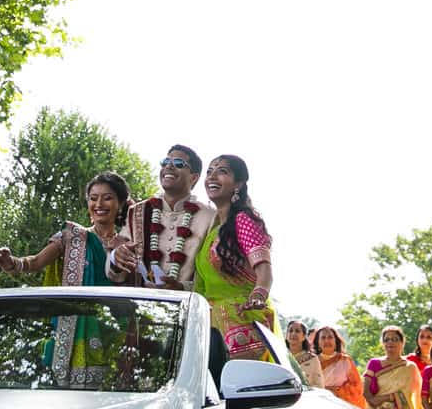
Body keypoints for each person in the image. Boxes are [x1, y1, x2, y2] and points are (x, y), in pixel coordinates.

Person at [0, 170, 130, 382]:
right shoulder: (71, 237)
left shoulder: (128, 244)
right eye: (93, 198)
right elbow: (34, 263)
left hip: (114, 332)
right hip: (73, 332)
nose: (99, 204)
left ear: (120, 204)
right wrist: (11, 263)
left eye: (107, 198)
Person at [193, 155, 276, 359]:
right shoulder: (212, 230)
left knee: (236, 387)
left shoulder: (244, 220)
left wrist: (258, 296)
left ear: (238, 183)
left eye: (222, 171)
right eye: (210, 171)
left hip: (241, 325)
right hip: (209, 328)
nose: (212, 176)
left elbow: (264, 271)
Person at [111, 144, 214, 287]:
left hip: (189, 304)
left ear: (194, 178)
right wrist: (116, 257)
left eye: (178, 163)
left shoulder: (209, 217)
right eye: (165, 162)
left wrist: (183, 288)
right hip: (142, 304)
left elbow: (213, 272)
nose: (169, 167)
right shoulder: (138, 212)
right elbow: (118, 267)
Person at [313, 326, 366, 408]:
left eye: (330, 337)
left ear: (336, 341)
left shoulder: (345, 360)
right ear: (318, 342)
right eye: (323, 338)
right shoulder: (312, 362)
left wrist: (337, 392)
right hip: (319, 405)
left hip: (343, 406)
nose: (327, 340)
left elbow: (357, 387)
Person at [285, 319, 323, 387]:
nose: (293, 333)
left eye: (297, 331)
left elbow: (319, 384)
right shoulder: (282, 356)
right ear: (286, 335)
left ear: (304, 336)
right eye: (290, 331)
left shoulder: (312, 358)